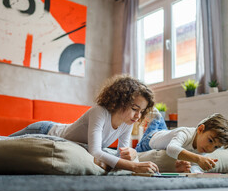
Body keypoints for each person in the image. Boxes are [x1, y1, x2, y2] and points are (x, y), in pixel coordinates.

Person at [10, 74, 159, 174]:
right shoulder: (100, 112)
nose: (138, 116)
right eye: (134, 109)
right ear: (121, 101)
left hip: (55, 137)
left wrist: (131, 154)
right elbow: (95, 152)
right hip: (45, 130)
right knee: (0, 141)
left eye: (142, 111)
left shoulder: (127, 123)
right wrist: (133, 165)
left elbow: (121, 154)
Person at [135, 111, 228, 172]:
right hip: (150, 139)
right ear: (200, 129)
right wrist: (198, 159)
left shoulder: (203, 147)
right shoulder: (184, 133)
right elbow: (171, 149)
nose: (210, 148)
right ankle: (156, 114)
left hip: (166, 134)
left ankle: (159, 118)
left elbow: (194, 166)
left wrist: (194, 171)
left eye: (216, 147)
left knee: (166, 132)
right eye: (210, 140)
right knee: (156, 118)